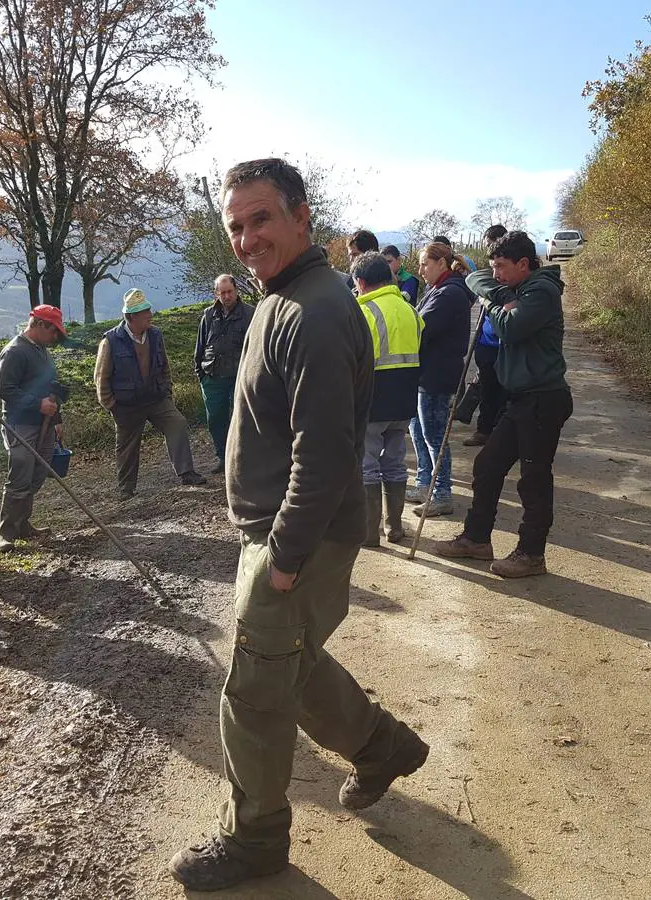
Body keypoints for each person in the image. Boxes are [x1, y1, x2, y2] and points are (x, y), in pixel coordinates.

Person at [168, 158, 429, 892]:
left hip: (298, 537)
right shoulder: (284, 297)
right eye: (237, 226)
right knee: (292, 663)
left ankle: (255, 840)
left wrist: (283, 556)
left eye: (262, 220)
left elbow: (325, 453)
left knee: (253, 693)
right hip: (283, 531)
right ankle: (383, 747)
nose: (248, 239)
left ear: (301, 217)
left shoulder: (312, 312)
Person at [434, 231, 572, 578]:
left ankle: (531, 554)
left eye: (502, 267)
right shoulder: (515, 289)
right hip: (520, 399)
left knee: (534, 480)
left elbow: (511, 328)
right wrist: (499, 294)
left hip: (544, 400)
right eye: (494, 265)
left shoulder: (541, 292)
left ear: (524, 264)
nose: (495, 272)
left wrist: (493, 304)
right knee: (487, 465)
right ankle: (476, 539)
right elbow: (474, 276)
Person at [94, 289, 206, 500]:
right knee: (127, 446)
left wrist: (167, 392)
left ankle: (187, 473)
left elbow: (164, 366)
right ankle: (126, 488)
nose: (149, 314)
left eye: (148, 309)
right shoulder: (110, 341)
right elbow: (101, 378)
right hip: (126, 405)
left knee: (178, 423)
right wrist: (112, 405)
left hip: (156, 398)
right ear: (131, 317)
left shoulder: (155, 334)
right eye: (144, 311)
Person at [352, 251, 424, 545]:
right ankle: (395, 528)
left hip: (372, 400)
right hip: (404, 399)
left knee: (367, 466)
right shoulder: (411, 310)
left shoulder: (362, 312)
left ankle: (369, 534)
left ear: (361, 281)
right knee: (395, 463)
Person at [0, 304, 68, 553]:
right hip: (20, 424)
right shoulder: (15, 351)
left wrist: (56, 419)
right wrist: (38, 405)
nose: (55, 337)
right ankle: (5, 533)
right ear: (38, 324)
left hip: (45, 424)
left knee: (38, 473)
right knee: (20, 475)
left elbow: (51, 389)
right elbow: (4, 389)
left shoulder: (42, 351)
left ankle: (23, 523)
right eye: (53, 330)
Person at [408, 241, 473, 517]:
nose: (421, 270)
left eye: (425, 264)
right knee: (417, 429)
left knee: (435, 435)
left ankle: (442, 492)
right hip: (425, 373)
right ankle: (425, 482)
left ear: (442, 264)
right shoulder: (438, 289)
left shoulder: (449, 294)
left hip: (437, 375)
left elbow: (421, 328)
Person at [194, 274, 255, 473]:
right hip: (212, 376)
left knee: (243, 419)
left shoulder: (250, 314)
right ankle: (223, 457)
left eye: (229, 292)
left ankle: (245, 458)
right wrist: (201, 374)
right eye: (222, 293)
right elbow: (200, 345)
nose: (227, 296)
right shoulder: (208, 315)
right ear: (216, 294)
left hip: (240, 376)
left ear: (236, 291)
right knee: (215, 419)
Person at [465, 224, 509, 447]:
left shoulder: (510, 275)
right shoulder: (489, 273)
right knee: (487, 387)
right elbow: (475, 280)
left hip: (506, 343)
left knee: (504, 390)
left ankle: (502, 433)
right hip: (486, 341)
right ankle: (484, 430)